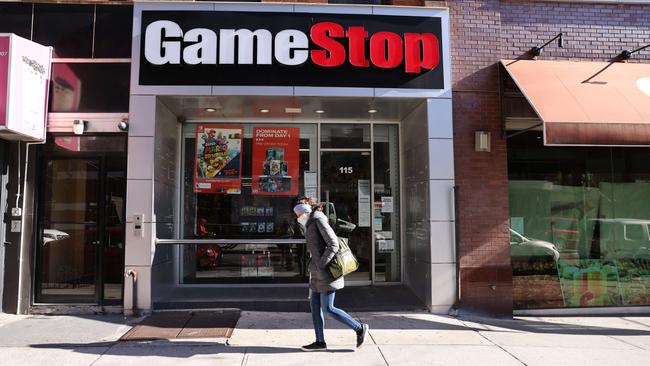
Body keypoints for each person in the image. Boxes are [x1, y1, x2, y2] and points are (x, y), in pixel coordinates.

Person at [293, 198, 369, 351]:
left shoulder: (318, 221)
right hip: (316, 273)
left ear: (306, 211)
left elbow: (333, 243)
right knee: (315, 308)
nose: (297, 218)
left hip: (327, 271)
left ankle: (359, 328)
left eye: (299, 214)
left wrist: (322, 263)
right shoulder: (309, 223)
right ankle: (320, 342)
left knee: (328, 308)